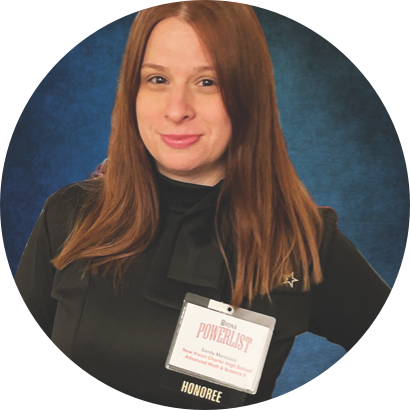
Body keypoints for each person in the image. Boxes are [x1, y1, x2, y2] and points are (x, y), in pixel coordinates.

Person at [14, 0, 391, 408]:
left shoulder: (304, 243)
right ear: (131, 92)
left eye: (207, 82)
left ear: (248, 95)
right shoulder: (69, 216)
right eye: (157, 79)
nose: (177, 110)